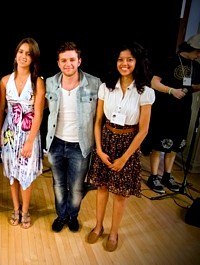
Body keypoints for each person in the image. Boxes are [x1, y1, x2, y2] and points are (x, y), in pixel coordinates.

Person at [86, 41, 155, 252]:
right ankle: (98, 226)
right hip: (105, 140)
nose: (124, 64)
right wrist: (98, 148)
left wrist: (125, 158)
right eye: (120, 59)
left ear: (138, 62)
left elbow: (143, 130)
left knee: (120, 194)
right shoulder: (105, 87)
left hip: (128, 145)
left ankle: (114, 232)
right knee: (102, 188)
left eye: (129, 60)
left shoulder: (146, 92)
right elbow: (98, 121)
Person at [45, 41, 102, 233]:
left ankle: (73, 215)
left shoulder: (95, 83)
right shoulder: (51, 82)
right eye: (63, 60)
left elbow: (100, 118)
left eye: (71, 59)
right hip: (56, 143)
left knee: (76, 188)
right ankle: (61, 216)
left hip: (80, 145)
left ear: (79, 61)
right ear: (58, 63)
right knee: (58, 185)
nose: (67, 64)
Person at [0, 38, 45, 229]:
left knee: (26, 173)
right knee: (12, 173)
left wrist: (30, 142)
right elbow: (1, 109)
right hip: (9, 133)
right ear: (15, 54)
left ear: (33, 58)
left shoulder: (38, 82)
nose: (24, 56)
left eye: (28, 53)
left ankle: (25, 211)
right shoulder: (5, 80)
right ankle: (15, 209)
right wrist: (1, 135)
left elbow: (39, 114)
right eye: (21, 52)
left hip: (28, 134)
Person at [144, 34, 200, 194]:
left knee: (175, 144)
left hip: (183, 112)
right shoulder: (169, 60)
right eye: (198, 52)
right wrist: (171, 91)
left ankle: (167, 176)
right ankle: (153, 176)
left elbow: (195, 86)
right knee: (159, 143)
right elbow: (154, 82)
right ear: (192, 48)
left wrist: (189, 89)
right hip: (164, 110)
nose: (199, 55)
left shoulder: (196, 66)